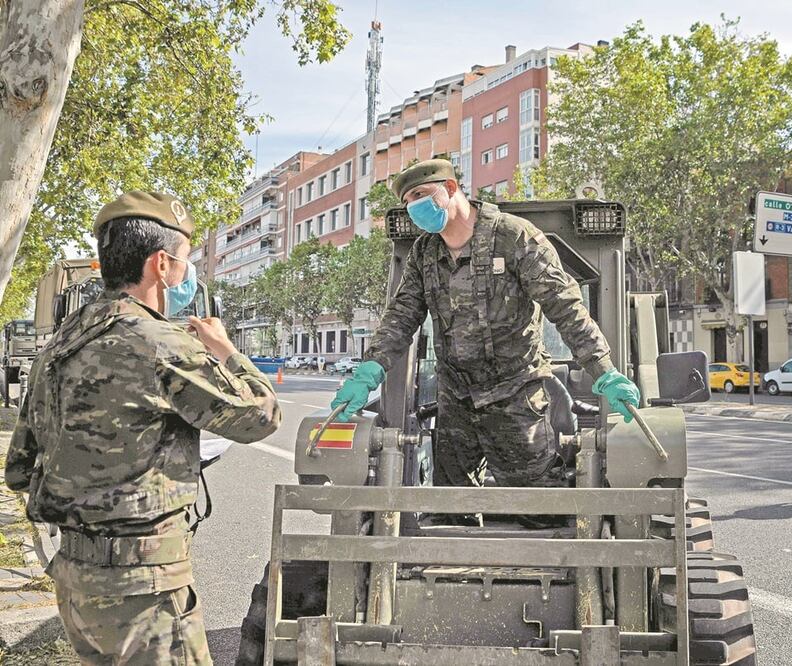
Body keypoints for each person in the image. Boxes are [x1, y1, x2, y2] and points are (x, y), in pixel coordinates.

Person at [4, 191, 282, 664]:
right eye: (185, 261)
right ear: (160, 264)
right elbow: (260, 415)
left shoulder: (59, 345)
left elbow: (18, 469)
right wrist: (226, 351)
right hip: (143, 591)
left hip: (74, 581)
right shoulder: (160, 343)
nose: (186, 275)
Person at [330, 159, 639, 488]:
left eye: (419, 194)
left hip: (516, 396)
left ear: (450, 188)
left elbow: (563, 305)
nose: (413, 206)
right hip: (456, 400)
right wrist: (369, 372)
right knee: (449, 509)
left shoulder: (513, 237)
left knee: (535, 511)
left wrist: (603, 370)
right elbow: (402, 316)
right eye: (407, 201)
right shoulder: (424, 253)